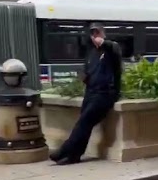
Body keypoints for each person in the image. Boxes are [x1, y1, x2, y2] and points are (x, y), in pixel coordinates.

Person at [51, 22, 122, 165]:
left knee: (84, 122)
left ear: (103, 34)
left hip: (105, 93)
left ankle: (64, 150)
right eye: (92, 34)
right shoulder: (91, 53)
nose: (95, 36)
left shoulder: (111, 48)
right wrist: (84, 76)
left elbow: (114, 50)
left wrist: (104, 42)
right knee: (84, 124)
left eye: (97, 33)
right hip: (91, 92)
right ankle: (74, 156)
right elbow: (87, 70)